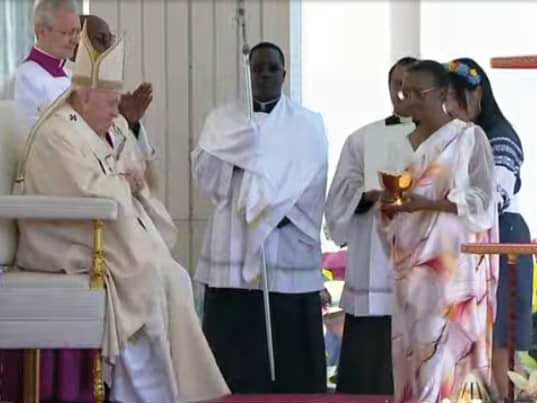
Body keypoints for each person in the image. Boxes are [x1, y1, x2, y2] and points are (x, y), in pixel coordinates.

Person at [14, 25, 229, 403]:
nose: (117, 113)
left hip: (103, 232)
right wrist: (125, 181)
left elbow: (135, 171)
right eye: (111, 104)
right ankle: (142, 393)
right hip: (64, 239)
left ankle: (172, 391)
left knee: (171, 275)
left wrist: (132, 179)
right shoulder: (58, 134)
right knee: (147, 274)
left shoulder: (100, 125)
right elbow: (86, 191)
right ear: (83, 98)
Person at [192, 41, 328, 393]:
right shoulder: (224, 121)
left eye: (272, 68)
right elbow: (206, 177)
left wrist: (284, 213)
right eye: (258, 68)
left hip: (286, 240)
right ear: (247, 73)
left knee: (289, 346)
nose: (265, 75)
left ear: (284, 73)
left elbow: (315, 176)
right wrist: (238, 151)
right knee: (235, 338)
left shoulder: (308, 124)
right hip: (235, 239)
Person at [380, 60, 498, 403]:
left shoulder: (468, 138)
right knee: (413, 351)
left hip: (449, 265)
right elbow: (392, 204)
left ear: (444, 94)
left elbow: (482, 202)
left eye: (419, 92)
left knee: (443, 352)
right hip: (410, 263)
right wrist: (389, 206)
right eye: (405, 91)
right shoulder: (401, 141)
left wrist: (427, 204)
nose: (409, 99)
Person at [324, 56, 416, 395]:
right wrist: (367, 196)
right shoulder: (362, 139)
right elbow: (338, 199)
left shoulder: (441, 139)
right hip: (373, 260)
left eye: (413, 87)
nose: (404, 93)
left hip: (418, 261)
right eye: (398, 86)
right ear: (389, 88)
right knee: (368, 370)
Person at [446, 57, 533, 400]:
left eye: (455, 98)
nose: (449, 107)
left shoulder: (499, 136)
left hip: (503, 236)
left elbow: (496, 193)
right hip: (472, 240)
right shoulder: (458, 137)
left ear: (477, 94)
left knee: (503, 340)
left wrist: (445, 205)